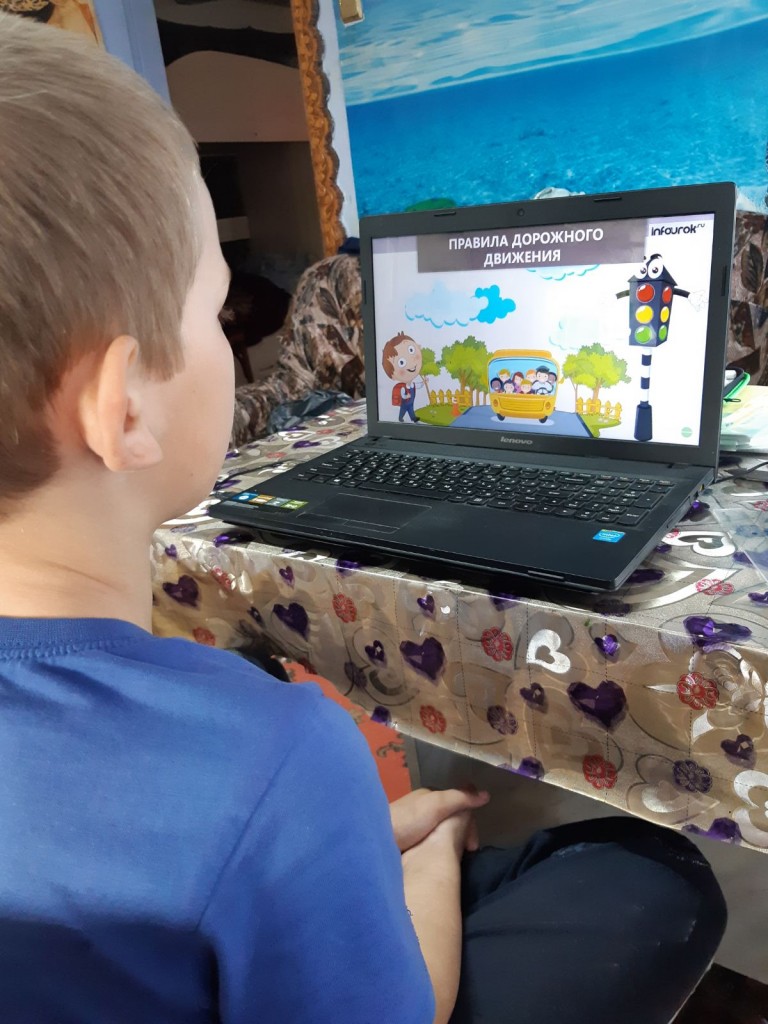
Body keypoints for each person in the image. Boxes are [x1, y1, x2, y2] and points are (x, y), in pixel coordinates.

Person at [0, 16, 726, 1024]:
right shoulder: (275, 758)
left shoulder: (258, 788)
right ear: (123, 408)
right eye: (217, 309)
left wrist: (328, 847)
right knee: (654, 874)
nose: (227, 332)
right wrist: (422, 861)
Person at [382, 330, 422, 422]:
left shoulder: (412, 384)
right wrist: (406, 396)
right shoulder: (403, 387)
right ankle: (400, 418)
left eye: (411, 350)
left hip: (410, 402)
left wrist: (424, 383)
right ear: (393, 375)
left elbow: (418, 385)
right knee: (403, 410)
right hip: (405, 402)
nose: (411, 361)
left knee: (411, 409)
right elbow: (402, 395)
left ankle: (413, 418)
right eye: (401, 362)